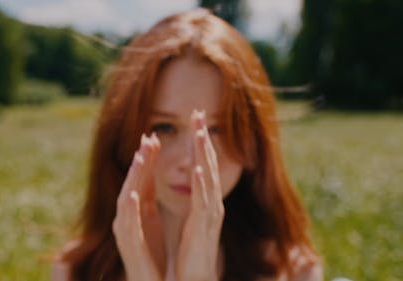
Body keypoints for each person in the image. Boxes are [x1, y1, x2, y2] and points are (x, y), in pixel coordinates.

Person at [52, 8, 323, 281]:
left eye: (216, 130)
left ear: (253, 144)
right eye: (164, 127)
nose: (191, 160)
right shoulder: (75, 271)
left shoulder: (292, 271)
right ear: (124, 137)